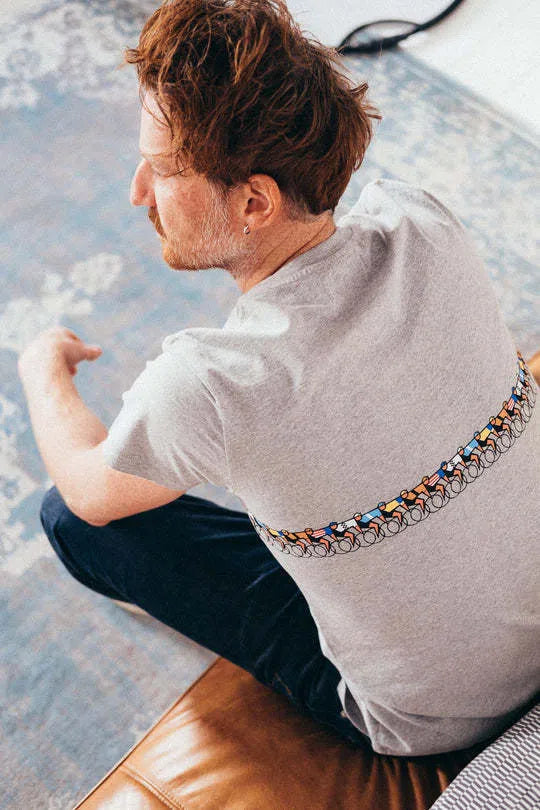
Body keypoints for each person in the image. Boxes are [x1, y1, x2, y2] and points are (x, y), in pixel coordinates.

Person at [19, 0, 539, 757]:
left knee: (71, 523)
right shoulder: (424, 223)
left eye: (162, 169)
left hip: (435, 721)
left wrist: (41, 367)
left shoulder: (210, 382)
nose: (137, 191)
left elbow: (88, 493)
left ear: (254, 201)